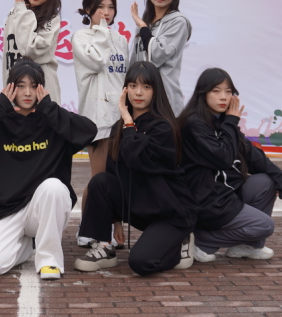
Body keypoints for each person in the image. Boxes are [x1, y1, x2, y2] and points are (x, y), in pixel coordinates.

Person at [0, 58, 97, 280]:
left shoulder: (52, 121)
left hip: (41, 210)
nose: (27, 92)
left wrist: (49, 108)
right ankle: (26, 244)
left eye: (33, 86)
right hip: (5, 211)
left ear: (42, 88)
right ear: (10, 88)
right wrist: (0, 106)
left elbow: (89, 130)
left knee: (53, 187)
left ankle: (50, 261)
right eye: (21, 86)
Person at [74, 61, 197, 276]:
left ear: (155, 91)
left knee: (140, 263)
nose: (138, 93)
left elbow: (137, 159)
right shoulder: (120, 127)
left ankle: (180, 242)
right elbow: (112, 173)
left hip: (170, 212)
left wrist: (128, 122)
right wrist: (115, 221)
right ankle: (104, 248)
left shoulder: (163, 127)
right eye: (133, 86)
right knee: (100, 181)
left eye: (146, 87)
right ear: (126, 89)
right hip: (142, 205)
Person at [179, 68, 282, 262]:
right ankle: (203, 242)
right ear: (203, 93)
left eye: (228, 91)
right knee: (264, 226)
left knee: (265, 182)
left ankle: (246, 246)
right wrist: (231, 121)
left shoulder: (223, 122)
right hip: (205, 199)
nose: (223, 97)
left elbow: (250, 154)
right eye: (216, 91)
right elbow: (222, 158)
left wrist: (281, 180)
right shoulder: (195, 123)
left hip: (223, 192)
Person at [72, 0, 128, 247]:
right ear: (88, 10)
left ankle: (112, 226)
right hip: (96, 117)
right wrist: (103, 34)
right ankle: (88, 228)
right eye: (100, 7)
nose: (106, 12)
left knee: (115, 178)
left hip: (119, 117)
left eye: (110, 7)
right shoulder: (81, 37)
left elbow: (123, 77)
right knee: (98, 178)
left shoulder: (121, 40)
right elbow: (96, 62)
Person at [130, 0, 191, 115]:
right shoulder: (145, 23)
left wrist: (143, 27)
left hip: (164, 101)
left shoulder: (178, 22)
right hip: (139, 101)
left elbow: (157, 55)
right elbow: (134, 64)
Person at [2, 0, 62, 104]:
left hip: (42, 87)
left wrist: (22, 11)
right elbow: (8, 55)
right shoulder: (14, 12)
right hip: (15, 86)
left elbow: (30, 49)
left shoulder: (51, 18)